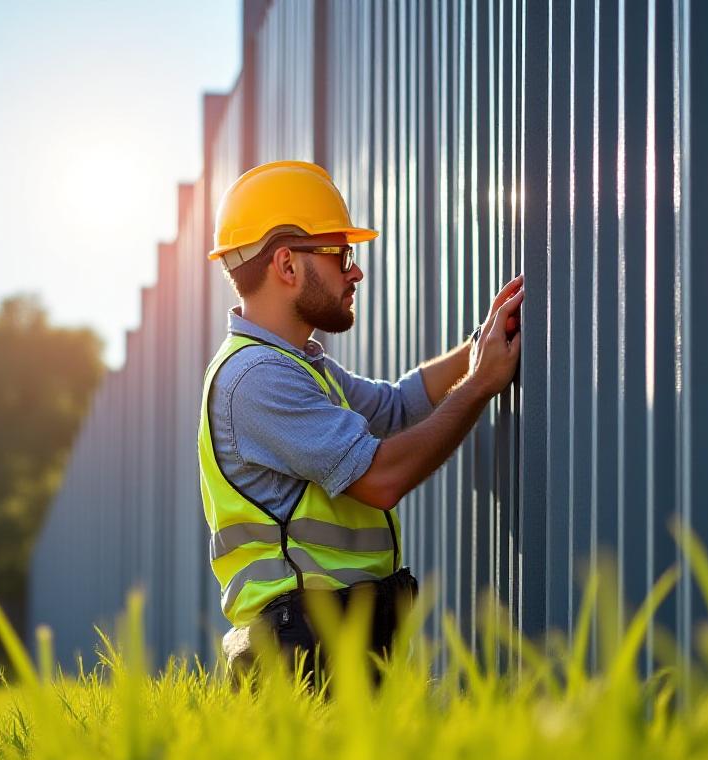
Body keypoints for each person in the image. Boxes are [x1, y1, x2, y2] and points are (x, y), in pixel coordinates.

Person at [197, 160, 522, 679]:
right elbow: (380, 479)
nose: (355, 271)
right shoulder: (257, 378)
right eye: (340, 254)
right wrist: (482, 383)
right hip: (305, 657)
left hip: (331, 642)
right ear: (287, 265)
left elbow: (395, 406)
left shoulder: (296, 365)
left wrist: (479, 346)